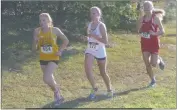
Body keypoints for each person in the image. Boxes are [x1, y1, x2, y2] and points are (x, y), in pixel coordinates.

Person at [32, 13, 69, 105]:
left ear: (49, 21)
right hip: (43, 58)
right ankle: (58, 94)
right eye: (40, 20)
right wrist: (35, 40)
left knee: (46, 78)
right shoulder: (37, 31)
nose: (41, 22)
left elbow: (66, 40)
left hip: (53, 57)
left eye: (44, 20)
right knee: (49, 79)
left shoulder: (55, 30)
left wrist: (60, 50)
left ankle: (56, 91)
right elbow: (34, 49)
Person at [84, 6, 113, 100]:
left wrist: (94, 36)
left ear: (99, 15)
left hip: (100, 51)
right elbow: (89, 36)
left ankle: (109, 90)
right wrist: (87, 38)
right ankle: (94, 88)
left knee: (103, 72)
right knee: (87, 70)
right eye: (91, 13)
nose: (92, 15)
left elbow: (105, 41)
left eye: (94, 13)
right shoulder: (89, 24)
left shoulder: (101, 25)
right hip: (90, 50)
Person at [137, 1, 165, 87]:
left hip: (154, 43)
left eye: (148, 7)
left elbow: (162, 31)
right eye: (145, 7)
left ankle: (159, 60)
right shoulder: (141, 19)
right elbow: (138, 31)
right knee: (147, 64)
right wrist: (140, 26)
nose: (146, 9)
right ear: (143, 9)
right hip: (145, 43)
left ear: (152, 8)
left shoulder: (155, 18)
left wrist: (154, 33)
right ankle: (153, 80)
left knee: (153, 64)